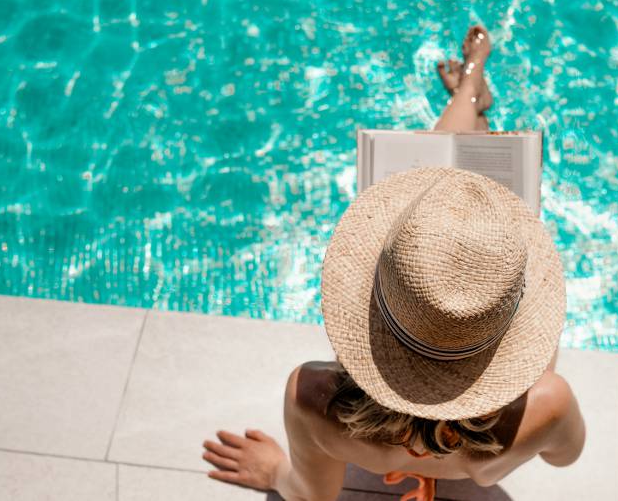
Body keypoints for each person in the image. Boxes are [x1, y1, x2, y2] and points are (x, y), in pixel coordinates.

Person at [202, 25, 585, 501]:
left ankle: (469, 90)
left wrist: (276, 471)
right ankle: (471, 89)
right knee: (468, 209)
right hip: (481, 456)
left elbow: (311, 495)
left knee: (438, 205)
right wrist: (476, 457)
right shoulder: (548, 403)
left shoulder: (316, 399)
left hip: (381, 429)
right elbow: (563, 456)